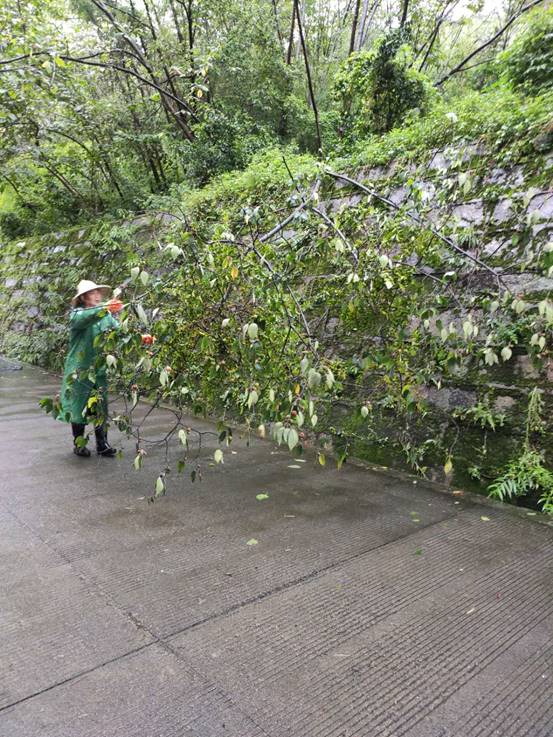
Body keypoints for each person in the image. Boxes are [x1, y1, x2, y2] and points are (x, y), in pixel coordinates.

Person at [59, 279, 124, 457]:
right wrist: (104, 308)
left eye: (99, 293)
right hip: (79, 370)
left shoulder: (106, 316)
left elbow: (119, 333)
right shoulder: (76, 314)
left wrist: (141, 338)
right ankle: (78, 444)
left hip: (99, 369)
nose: (98, 296)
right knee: (78, 406)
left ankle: (102, 444)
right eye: (93, 293)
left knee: (100, 406)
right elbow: (83, 318)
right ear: (83, 297)